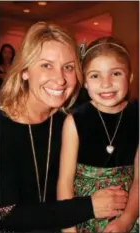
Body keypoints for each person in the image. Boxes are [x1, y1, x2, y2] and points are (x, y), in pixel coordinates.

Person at [0, 23, 128, 233]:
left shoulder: (70, 119)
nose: (60, 80)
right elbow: (6, 215)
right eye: (46, 65)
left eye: (68, 67)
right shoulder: (3, 127)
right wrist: (89, 206)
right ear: (24, 70)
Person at [57, 36, 139, 233]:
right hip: (84, 214)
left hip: (129, 210)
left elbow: (139, 179)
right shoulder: (75, 121)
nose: (106, 83)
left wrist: (126, 220)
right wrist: (69, 230)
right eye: (95, 76)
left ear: (130, 77)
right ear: (84, 82)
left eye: (116, 73)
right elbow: (64, 182)